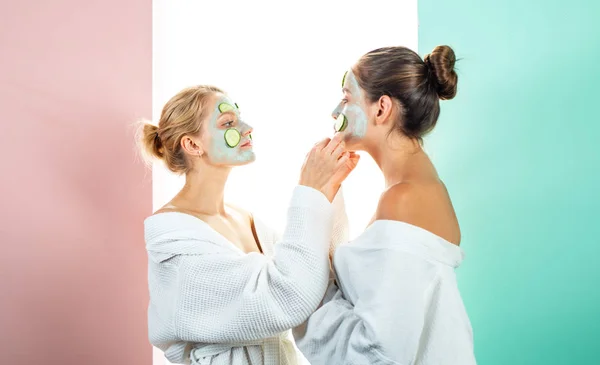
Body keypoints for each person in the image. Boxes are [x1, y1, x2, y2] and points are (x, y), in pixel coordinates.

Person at [138, 85, 359, 365]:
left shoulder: (247, 219)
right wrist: (310, 191)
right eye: (228, 123)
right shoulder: (172, 240)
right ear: (193, 145)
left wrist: (327, 189)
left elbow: (315, 276)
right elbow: (285, 296)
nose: (247, 127)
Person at [294, 45, 477, 364]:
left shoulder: (403, 199)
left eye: (347, 98)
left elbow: (377, 354)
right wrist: (328, 191)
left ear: (381, 109)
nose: (335, 112)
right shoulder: (416, 189)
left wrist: (309, 199)